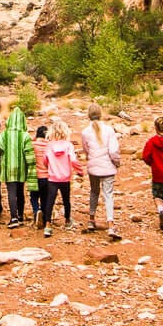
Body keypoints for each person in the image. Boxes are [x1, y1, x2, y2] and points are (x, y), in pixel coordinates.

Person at [0, 105, 38, 228]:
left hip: (7, 168)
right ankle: (21, 216)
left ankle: (14, 218)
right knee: (20, 192)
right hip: (21, 169)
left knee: (11, 192)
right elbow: (29, 155)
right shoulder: (25, 136)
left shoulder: (3, 135)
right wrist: (31, 170)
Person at [81, 102, 121, 238]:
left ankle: (91, 220)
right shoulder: (109, 130)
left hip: (93, 168)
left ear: (88, 115)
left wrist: (90, 159)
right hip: (108, 168)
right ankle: (110, 225)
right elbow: (113, 150)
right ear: (100, 114)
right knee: (108, 195)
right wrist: (117, 162)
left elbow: (86, 149)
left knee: (94, 192)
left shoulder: (85, 132)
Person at [43, 118, 84, 237]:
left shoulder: (49, 146)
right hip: (65, 177)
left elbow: (45, 160)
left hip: (52, 178)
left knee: (50, 201)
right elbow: (73, 160)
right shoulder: (68, 145)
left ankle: (47, 225)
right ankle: (67, 220)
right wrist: (79, 171)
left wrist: (48, 167)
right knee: (66, 200)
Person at [30, 124, 49, 230]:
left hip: (35, 175)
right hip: (46, 176)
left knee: (33, 196)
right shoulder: (49, 146)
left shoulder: (33, 145)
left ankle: (36, 210)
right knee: (45, 198)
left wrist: (34, 138)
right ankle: (45, 216)